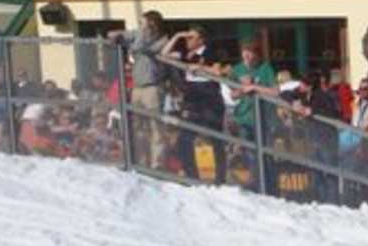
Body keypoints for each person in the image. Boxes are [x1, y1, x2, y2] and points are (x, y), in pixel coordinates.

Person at [165, 27, 227, 185]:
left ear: (201, 40)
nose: (187, 40)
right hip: (192, 100)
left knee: (215, 139)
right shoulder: (185, 54)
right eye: (187, 37)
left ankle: (219, 179)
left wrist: (200, 67)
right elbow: (164, 55)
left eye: (191, 37)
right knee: (184, 139)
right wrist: (177, 35)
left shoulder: (209, 52)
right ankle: (192, 177)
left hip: (210, 99)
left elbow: (218, 71)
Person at [108, 10, 169, 168]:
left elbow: (140, 48)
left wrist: (141, 33)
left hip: (152, 87)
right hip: (137, 87)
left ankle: (157, 163)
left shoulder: (162, 39)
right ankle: (141, 161)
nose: (141, 25)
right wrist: (117, 35)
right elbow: (116, 36)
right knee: (138, 127)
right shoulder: (138, 33)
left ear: (152, 23)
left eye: (143, 22)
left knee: (156, 127)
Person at [229, 41, 276, 140]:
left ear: (257, 54)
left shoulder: (265, 68)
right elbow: (233, 95)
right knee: (246, 147)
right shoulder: (237, 69)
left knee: (264, 147)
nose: (246, 54)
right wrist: (243, 88)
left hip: (264, 118)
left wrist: (254, 86)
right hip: (243, 118)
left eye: (250, 51)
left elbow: (274, 92)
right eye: (244, 51)